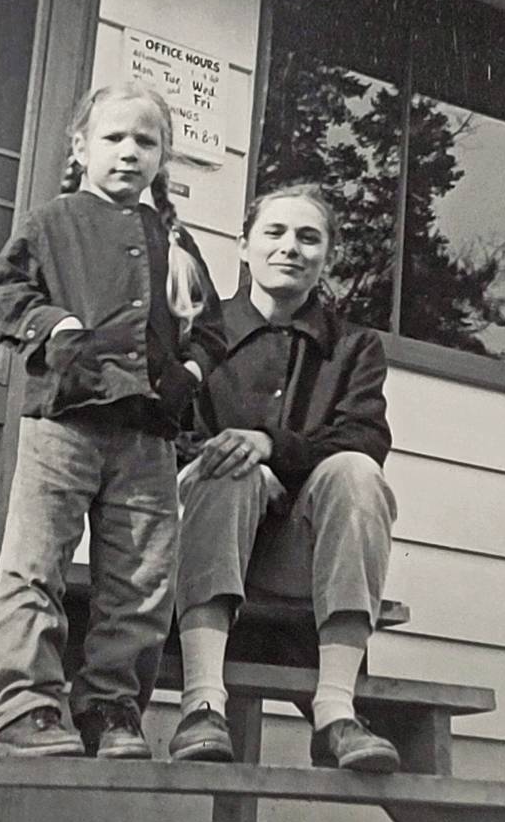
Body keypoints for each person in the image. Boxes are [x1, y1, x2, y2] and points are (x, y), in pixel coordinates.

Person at [0, 82, 225, 760]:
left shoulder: (174, 240)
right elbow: (5, 292)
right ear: (81, 147)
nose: (128, 152)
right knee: (36, 566)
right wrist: (54, 326)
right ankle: (24, 707)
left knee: (140, 580)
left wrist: (191, 371)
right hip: (65, 423)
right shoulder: (51, 223)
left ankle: (111, 708)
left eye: (145, 141)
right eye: (114, 137)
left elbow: (210, 328)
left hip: (148, 435)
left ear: (161, 158)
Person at [168, 183, 400, 773]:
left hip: (301, 556)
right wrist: (248, 467)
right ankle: (201, 705)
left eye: (308, 237)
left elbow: (364, 437)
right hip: (201, 538)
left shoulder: (353, 347)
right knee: (228, 467)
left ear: (327, 256)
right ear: (244, 246)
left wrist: (275, 452)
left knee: (357, 472)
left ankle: (337, 711)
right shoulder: (194, 334)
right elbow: (164, 432)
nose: (290, 247)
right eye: (274, 232)